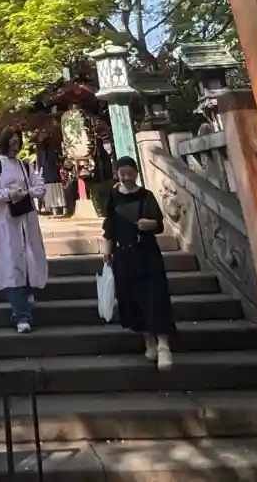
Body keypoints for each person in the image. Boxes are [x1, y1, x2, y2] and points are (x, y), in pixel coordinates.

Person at [102, 155, 177, 371]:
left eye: (129, 173)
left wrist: (149, 224)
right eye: (121, 174)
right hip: (123, 255)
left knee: (156, 296)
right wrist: (107, 249)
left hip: (146, 252)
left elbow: (159, 225)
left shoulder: (146, 196)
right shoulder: (113, 197)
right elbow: (109, 227)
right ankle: (149, 340)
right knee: (132, 299)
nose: (125, 178)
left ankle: (164, 345)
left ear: (136, 173)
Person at [0, 127, 48, 333]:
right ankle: (21, 315)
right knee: (11, 264)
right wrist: (9, 194)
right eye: (11, 142)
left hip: (26, 218)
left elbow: (40, 187)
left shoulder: (25, 165)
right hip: (6, 220)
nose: (15, 146)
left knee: (29, 258)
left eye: (17, 142)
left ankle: (25, 299)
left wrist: (26, 193)